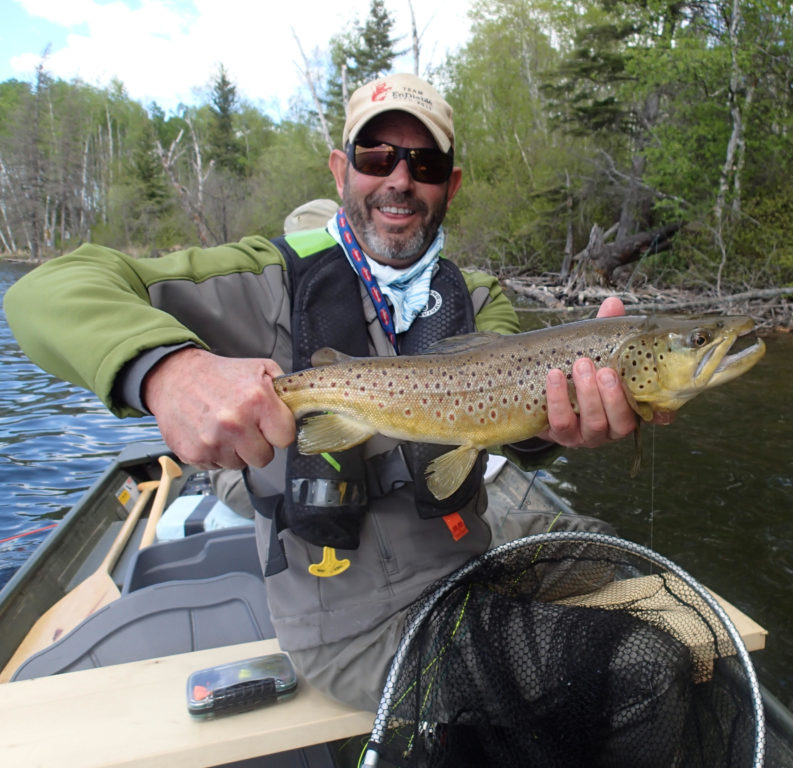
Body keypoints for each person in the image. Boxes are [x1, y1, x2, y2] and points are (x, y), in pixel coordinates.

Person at [3, 73, 650, 710]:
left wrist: (552, 426)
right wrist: (170, 369)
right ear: (342, 168)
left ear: (449, 183)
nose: (400, 178)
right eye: (377, 156)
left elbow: (522, 415)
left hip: (469, 570)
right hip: (355, 629)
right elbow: (45, 293)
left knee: (633, 577)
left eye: (422, 163)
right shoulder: (264, 278)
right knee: (621, 662)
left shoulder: (479, 298)